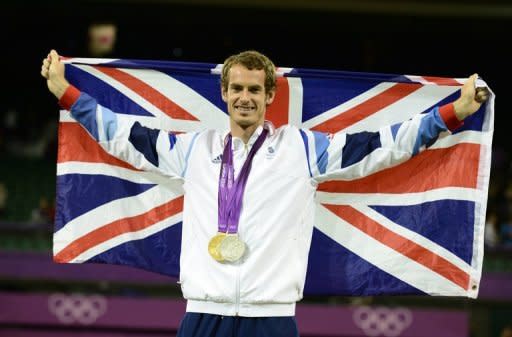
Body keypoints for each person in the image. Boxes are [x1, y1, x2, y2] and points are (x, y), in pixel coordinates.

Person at [41, 49, 489, 337]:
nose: (245, 98)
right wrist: (67, 94)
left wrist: (453, 112)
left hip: (271, 319)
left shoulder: (302, 150)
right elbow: (124, 135)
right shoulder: (194, 149)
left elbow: (382, 145)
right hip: (202, 314)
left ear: (269, 94)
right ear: (224, 93)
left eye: (255, 89)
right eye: (237, 88)